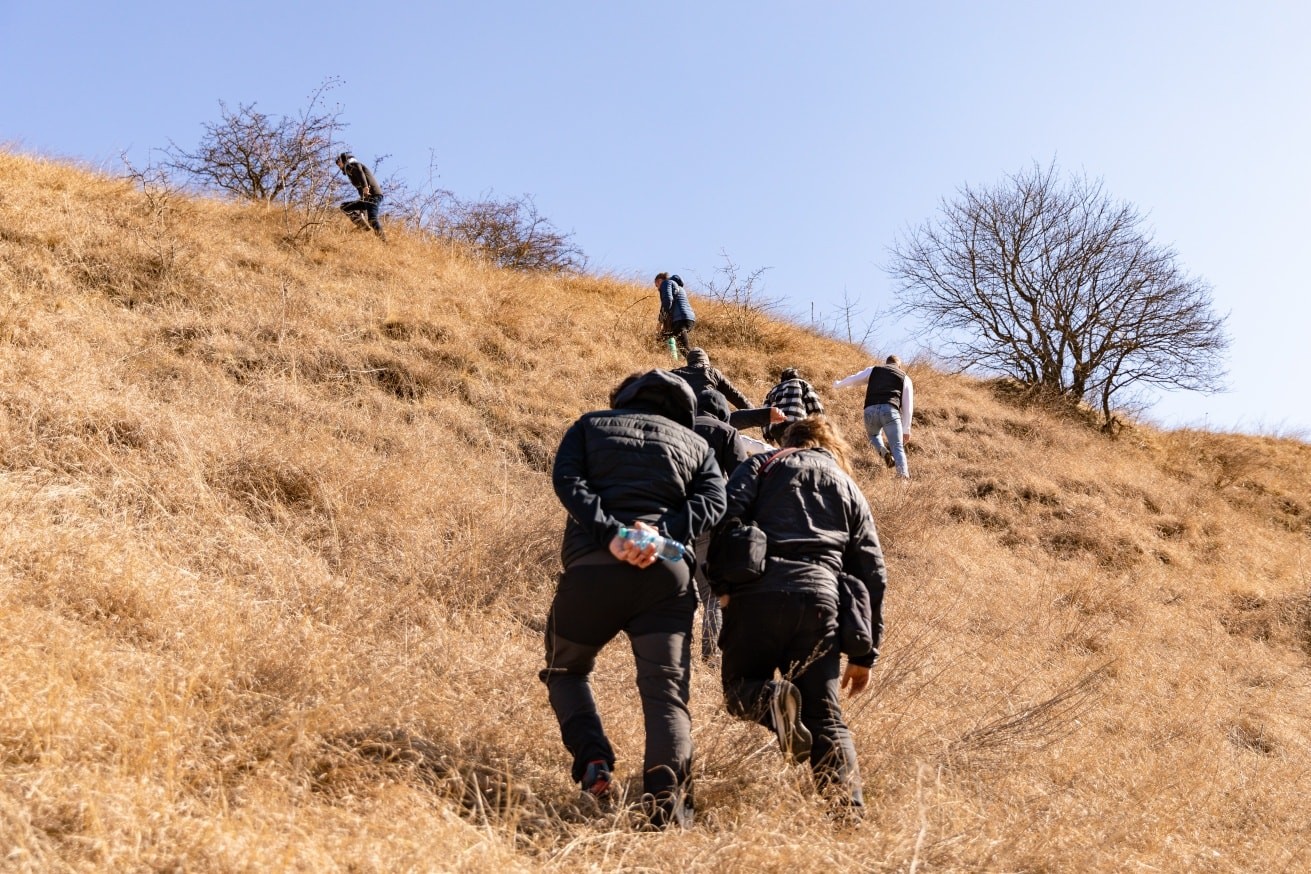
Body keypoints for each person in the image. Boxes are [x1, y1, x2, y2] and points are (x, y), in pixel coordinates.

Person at [541, 369, 727, 829]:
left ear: (623, 399)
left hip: (592, 571)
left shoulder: (589, 425)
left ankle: (593, 761)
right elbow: (714, 503)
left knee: (565, 669)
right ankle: (666, 810)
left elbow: (566, 480)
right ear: (684, 410)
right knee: (666, 698)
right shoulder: (698, 447)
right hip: (666, 574)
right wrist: (660, 534)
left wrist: (611, 534)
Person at [709, 416, 886, 812]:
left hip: (758, 591)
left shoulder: (763, 464)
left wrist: (722, 588)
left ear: (790, 439)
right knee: (827, 717)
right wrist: (864, 654)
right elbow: (872, 570)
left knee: (740, 691)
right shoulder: (849, 486)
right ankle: (847, 813)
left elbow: (724, 519)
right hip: (822, 601)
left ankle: (772, 699)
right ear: (831, 444)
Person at [689, 388, 753, 663]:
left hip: (671, 520)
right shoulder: (726, 432)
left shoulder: (676, 426)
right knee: (712, 594)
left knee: (674, 590)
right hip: (708, 517)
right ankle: (710, 657)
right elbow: (742, 479)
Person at [833, 354, 914, 479]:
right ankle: (903, 478)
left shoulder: (873, 370)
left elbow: (854, 379)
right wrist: (906, 429)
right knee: (897, 446)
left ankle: (883, 451)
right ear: (899, 366)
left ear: (886, 363)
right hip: (890, 411)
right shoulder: (904, 377)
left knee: (873, 435)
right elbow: (907, 406)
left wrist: (838, 384)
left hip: (870, 410)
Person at [761, 367, 825, 443]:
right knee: (800, 451)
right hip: (797, 425)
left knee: (787, 450)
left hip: (777, 429)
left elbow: (765, 413)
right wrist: (821, 425)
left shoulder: (773, 390)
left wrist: (767, 435)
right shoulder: (803, 384)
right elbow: (814, 405)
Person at [335, 152, 386, 239]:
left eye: (338, 163)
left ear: (343, 160)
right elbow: (360, 185)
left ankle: (384, 242)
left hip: (373, 196)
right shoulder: (350, 168)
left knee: (372, 219)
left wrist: (365, 187)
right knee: (345, 207)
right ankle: (362, 225)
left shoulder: (351, 165)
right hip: (366, 198)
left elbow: (359, 172)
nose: (339, 166)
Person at [655, 273, 696, 356]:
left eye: (657, 285)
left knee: (684, 348)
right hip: (687, 319)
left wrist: (660, 321)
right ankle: (673, 361)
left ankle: (703, 364)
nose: (657, 288)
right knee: (664, 338)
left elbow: (667, 301)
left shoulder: (666, 283)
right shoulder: (678, 287)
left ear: (659, 281)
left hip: (680, 319)